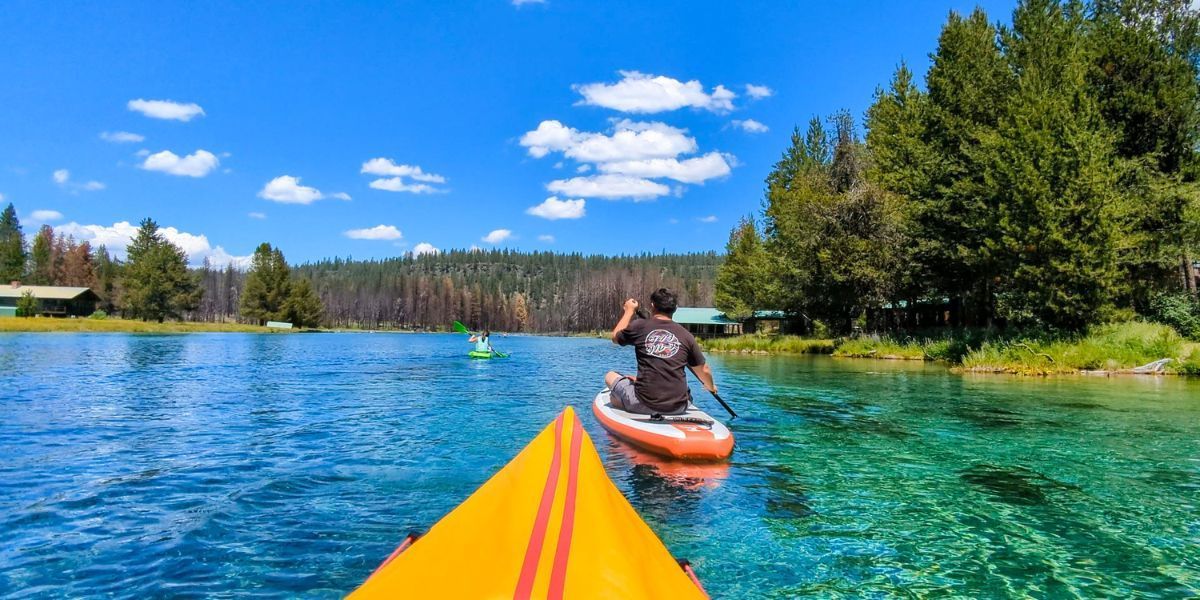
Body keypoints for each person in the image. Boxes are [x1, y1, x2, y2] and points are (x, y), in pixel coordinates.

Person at [605, 288, 717, 415]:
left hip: (644, 403)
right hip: (680, 406)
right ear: (675, 308)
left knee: (610, 376)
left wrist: (629, 311)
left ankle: (621, 402)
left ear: (652, 305)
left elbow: (615, 337)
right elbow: (705, 370)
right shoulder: (686, 335)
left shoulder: (639, 326)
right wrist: (711, 387)